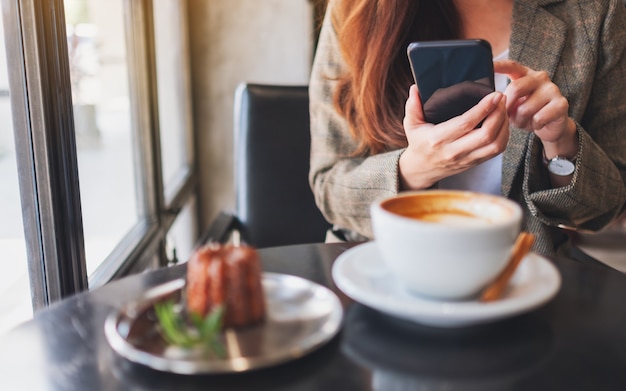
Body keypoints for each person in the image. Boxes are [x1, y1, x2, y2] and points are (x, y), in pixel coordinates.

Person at [308, 0, 626, 256]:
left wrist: (561, 142)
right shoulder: (355, 9)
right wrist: (415, 169)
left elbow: (607, 205)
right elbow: (329, 187)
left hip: (517, 274)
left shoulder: (596, 11)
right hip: (382, 261)